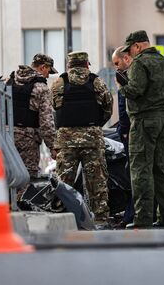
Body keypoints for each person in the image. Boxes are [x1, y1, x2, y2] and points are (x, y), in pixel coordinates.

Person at [118, 30, 164, 228]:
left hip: (144, 121)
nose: (131, 53)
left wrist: (121, 86)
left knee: (141, 171)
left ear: (137, 46)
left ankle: (142, 220)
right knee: (160, 171)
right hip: (163, 119)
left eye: (130, 49)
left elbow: (135, 91)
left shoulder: (139, 63)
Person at [51, 51, 113, 227]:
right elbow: (108, 107)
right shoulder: (97, 82)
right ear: (86, 64)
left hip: (66, 140)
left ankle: (61, 215)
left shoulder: (58, 83)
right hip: (92, 140)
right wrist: (95, 124)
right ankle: (101, 218)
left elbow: (55, 107)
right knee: (97, 181)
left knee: (64, 181)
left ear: (69, 65)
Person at [7, 54, 57, 182]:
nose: (48, 76)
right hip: (27, 140)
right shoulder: (41, 88)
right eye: (48, 71)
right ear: (42, 67)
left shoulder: (9, 81)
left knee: (8, 176)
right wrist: (53, 146)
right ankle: (20, 202)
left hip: (5, 137)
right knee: (27, 178)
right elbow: (46, 122)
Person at [111, 46, 135, 224]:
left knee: (132, 174)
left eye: (117, 63)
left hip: (132, 132)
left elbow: (123, 107)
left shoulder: (128, 77)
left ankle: (131, 215)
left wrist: (124, 130)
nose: (116, 67)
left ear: (126, 58)